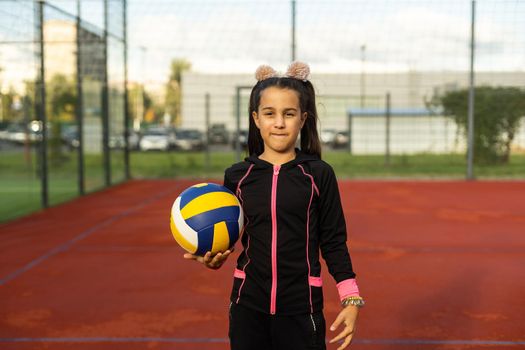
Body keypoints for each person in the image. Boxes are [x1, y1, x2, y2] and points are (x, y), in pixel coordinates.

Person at [184, 62, 364, 350]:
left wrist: (351, 297)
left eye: (288, 114)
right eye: (269, 114)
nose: (279, 123)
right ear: (256, 118)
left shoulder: (318, 174)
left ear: (303, 119)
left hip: (301, 308)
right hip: (247, 306)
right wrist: (213, 258)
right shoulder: (237, 176)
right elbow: (227, 235)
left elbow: (333, 241)